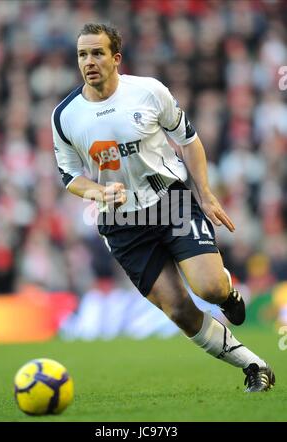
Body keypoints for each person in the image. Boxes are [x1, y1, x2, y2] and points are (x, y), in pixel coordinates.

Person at [51, 23, 275, 392]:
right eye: (82, 54)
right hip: (121, 222)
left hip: (170, 201)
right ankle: (254, 366)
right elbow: (70, 175)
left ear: (116, 58)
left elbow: (188, 140)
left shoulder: (149, 92)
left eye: (97, 53)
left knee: (210, 289)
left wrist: (204, 192)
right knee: (178, 310)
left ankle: (228, 293)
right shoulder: (65, 115)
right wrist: (97, 193)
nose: (89, 61)